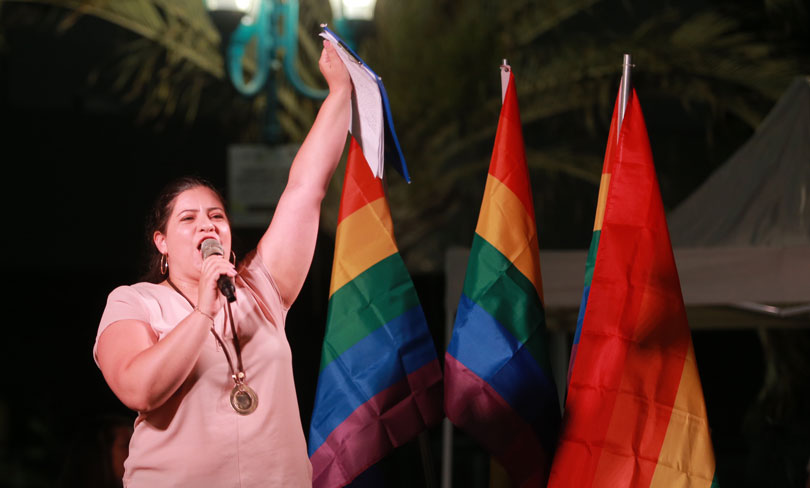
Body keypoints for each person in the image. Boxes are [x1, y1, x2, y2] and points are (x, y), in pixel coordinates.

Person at [93, 40, 351, 487]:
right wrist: (203, 310)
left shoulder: (261, 291)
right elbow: (139, 389)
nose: (207, 226)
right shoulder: (135, 301)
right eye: (188, 220)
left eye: (216, 216)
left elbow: (305, 190)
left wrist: (340, 94)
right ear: (163, 244)